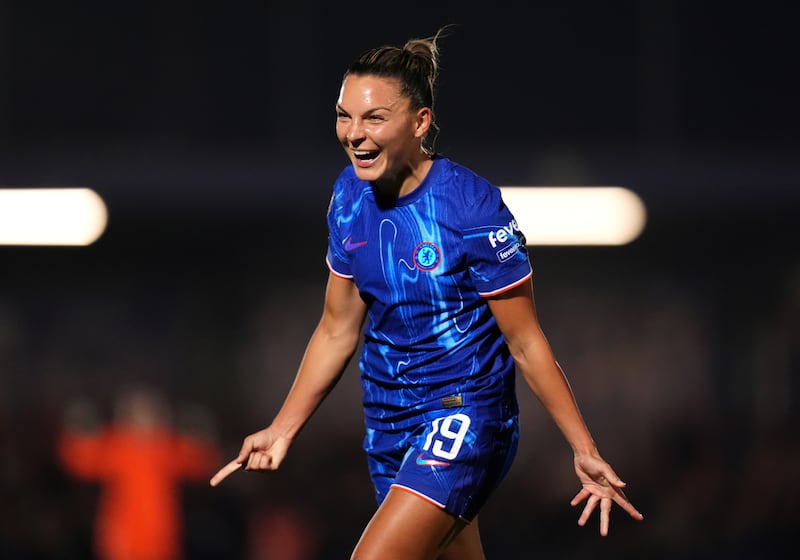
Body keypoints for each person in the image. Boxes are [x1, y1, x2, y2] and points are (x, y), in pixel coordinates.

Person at [211, 27, 644, 559]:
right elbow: (336, 328)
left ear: (420, 122)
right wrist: (283, 428)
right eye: (344, 116)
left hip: (465, 414)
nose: (353, 133)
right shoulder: (348, 199)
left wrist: (583, 448)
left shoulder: (472, 207)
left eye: (374, 117)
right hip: (389, 422)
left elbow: (525, 341)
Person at [58, 385, 220, 560]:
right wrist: (76, 432)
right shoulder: (116, 444)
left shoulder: (165, 445)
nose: (144, 419)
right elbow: (84, 461)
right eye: (138, 413)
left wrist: (202, 436)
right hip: (123, 542)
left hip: (162, 540)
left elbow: (198, 463)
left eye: (150, 413)